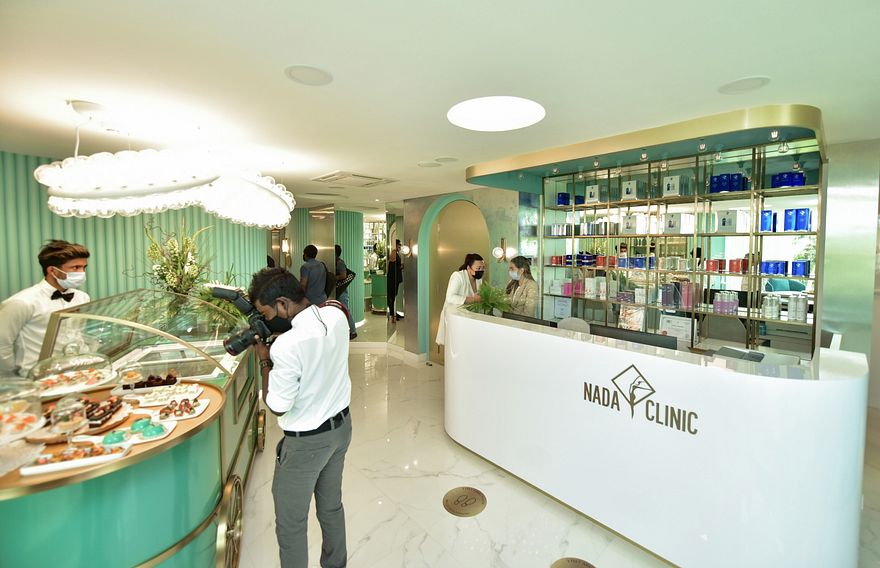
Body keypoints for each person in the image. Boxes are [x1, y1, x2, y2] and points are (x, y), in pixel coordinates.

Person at [249, 267, 352, 568]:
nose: (268, 319)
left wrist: (265, 360)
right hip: (341, 429)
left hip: (306, 444)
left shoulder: (287, 346)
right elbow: (314, 343)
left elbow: (277, 406)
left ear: (282, 304)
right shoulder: (335, 315)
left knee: (291, 524)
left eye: (266, 313)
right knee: (331, 507)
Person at [0, 240, 91, 378]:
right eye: (75, 267)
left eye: (84, 267)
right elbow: (2, 346)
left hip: (75, 372)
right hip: (36, 377)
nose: (82, 273)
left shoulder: (82, 297)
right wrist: (14, 378)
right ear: (52, 271)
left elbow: (78, 334)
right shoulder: (22, 302)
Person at [436, 253, 484, 346]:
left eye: (482, 268)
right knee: (454, 345)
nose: (481, 271)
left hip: (469, 317)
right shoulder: (458, 276)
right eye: (478, 268)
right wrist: (473, 299)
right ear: (469, 268)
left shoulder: (479, 279)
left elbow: (479, 296)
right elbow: (450, 297)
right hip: (455, 317)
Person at [334, 244, 357, 340]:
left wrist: (334, 277)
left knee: (345, 310)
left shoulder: (340, 263)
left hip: (341, 291)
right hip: (337, 290)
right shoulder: (334, 262)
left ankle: (353, 331)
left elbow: (343, 275)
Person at [386, 239, 403, 323]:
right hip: (393, 280)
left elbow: (396, 266)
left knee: (393, 297)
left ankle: (393, 314)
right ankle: (392, 315)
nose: (400, 246)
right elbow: (393, 265)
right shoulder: (394, 253)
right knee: (392, 297)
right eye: (399, 245)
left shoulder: (396, 253)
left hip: (395, 279)